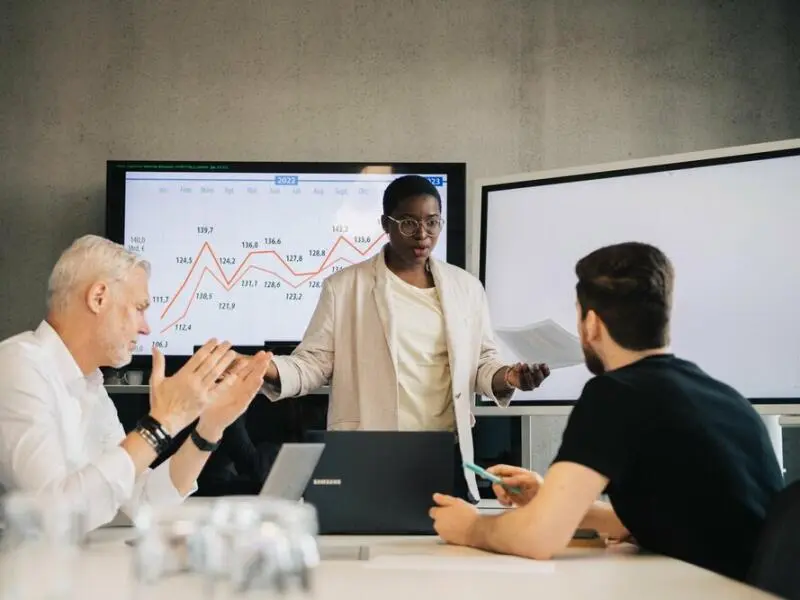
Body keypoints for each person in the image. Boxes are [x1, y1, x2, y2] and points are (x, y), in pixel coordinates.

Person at [429, 241, 784, 581]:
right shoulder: (723, 397)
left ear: (592, 324)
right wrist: (552, 501)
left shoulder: (615, 394)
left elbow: (537, 539)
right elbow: (681, 520)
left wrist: (471, 527)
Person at [256, 175, 550, 501]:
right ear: (386, 224)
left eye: (432, 222)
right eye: (409, 223)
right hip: (369, 449)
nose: (422, 234)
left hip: (442, 451)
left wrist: (510, 376)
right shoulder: (344, 287)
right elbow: (314, 363)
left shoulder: (466, 288)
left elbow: (481, 363)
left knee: (442, 546)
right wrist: (262, 368)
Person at [0, 235, 270, 532]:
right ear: (98, 298)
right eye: (140, 307)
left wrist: (209, 428)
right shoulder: (18, 365)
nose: (145, 327)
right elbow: (55, 516)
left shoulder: (90, 387)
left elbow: (141, 500)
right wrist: (162, 422)